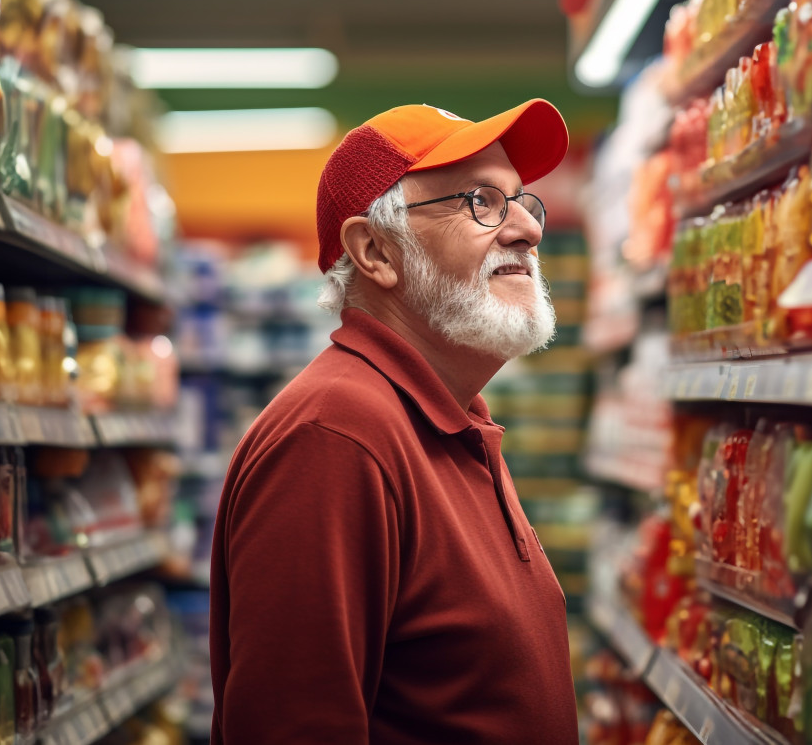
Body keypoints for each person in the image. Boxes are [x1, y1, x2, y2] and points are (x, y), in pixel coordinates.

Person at [209, 100, 579, 745]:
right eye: (483, 202)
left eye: (524, 202)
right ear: (377, 251)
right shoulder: (335, 438)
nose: (527, 229)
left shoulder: (451, 419)